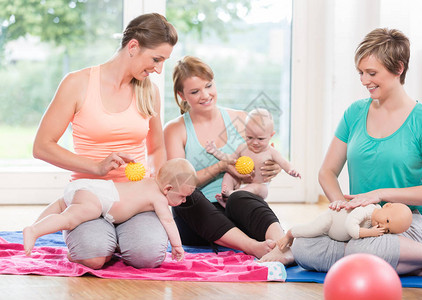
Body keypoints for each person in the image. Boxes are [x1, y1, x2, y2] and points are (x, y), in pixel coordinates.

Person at [261, 28, 422, 278]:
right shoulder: (355, 113)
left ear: (399, 69)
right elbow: (327, 172)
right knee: (305, 246)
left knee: (362, 248)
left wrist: (379, 194)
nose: (363, 80)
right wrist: (341, 207)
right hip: (363, 222)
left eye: (371, 73)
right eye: (360, 73)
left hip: (411, 222)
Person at [32, 13, 178, 269]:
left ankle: (121, 238)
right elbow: (42, 146)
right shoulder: (77, 83)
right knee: (93, 256)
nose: (159, 69)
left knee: (147, 257)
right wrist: (97, 167)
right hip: (91, 198)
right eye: (156, 59)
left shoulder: (149, 91)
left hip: (135, 200)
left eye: (163, 61)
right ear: (133, 46)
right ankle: (103, 239)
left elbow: (156, 147)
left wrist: (159, 185)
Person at [164, 56, 286, 258]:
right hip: (198, 221)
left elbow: (262, 161)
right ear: (181, 95)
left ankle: (283, 246)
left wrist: (273, 167)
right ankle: (251, 246)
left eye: (208, 86)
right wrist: (221, 166)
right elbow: (178, 184)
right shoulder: (175, 129)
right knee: (187, 195)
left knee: (241, 196)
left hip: (235, 210)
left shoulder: (240, 119)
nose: (205, 95)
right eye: (195, 92)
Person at [23, 158, 197, 261]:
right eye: (182, 196)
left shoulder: (149, 182)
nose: (183, 201)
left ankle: (35, 225)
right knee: (69, 219)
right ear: (167, 189)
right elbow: (167, 221)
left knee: (62, 204)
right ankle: (34, 230)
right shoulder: (159, 198)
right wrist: (177, 246)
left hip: (94, 187)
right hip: (100, 200)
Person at [205, 108, 301, 205]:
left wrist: (291, 170)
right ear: (245, 133)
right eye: (250, 137)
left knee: (256, 187)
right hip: (241, 183)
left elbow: (283, 162)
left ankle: (232, 194)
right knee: (228, 175)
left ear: (271, 135)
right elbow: (230, 159)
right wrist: (215, 151)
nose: (255, 142)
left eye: (260, 139)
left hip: (259, 187)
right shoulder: (242, 148)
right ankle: (226, 198)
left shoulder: (271, 152)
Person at [277, 203, 412, 251]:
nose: (383, 226)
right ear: (386, 206)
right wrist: (369, 233)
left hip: (335, 235)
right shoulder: (367, 210)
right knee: (313, 229)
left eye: (387, 230)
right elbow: (350, 226)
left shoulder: (374, 223)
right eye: (387, 220)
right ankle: (290, 233)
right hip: (330, 221)